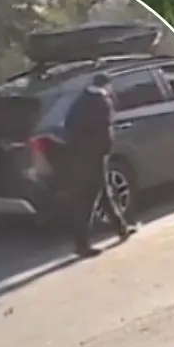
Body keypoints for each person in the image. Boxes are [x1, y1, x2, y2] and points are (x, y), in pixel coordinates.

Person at [60, 72, 136, 258]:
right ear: (107, 85)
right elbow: (105, 129)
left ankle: (122, 228)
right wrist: (104, 149)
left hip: (80, 157)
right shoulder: (102, 103)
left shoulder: (80, 101)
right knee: (88, 201)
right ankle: (82, 244)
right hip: (94, 157)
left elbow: (69, 125)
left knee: (104, 193)